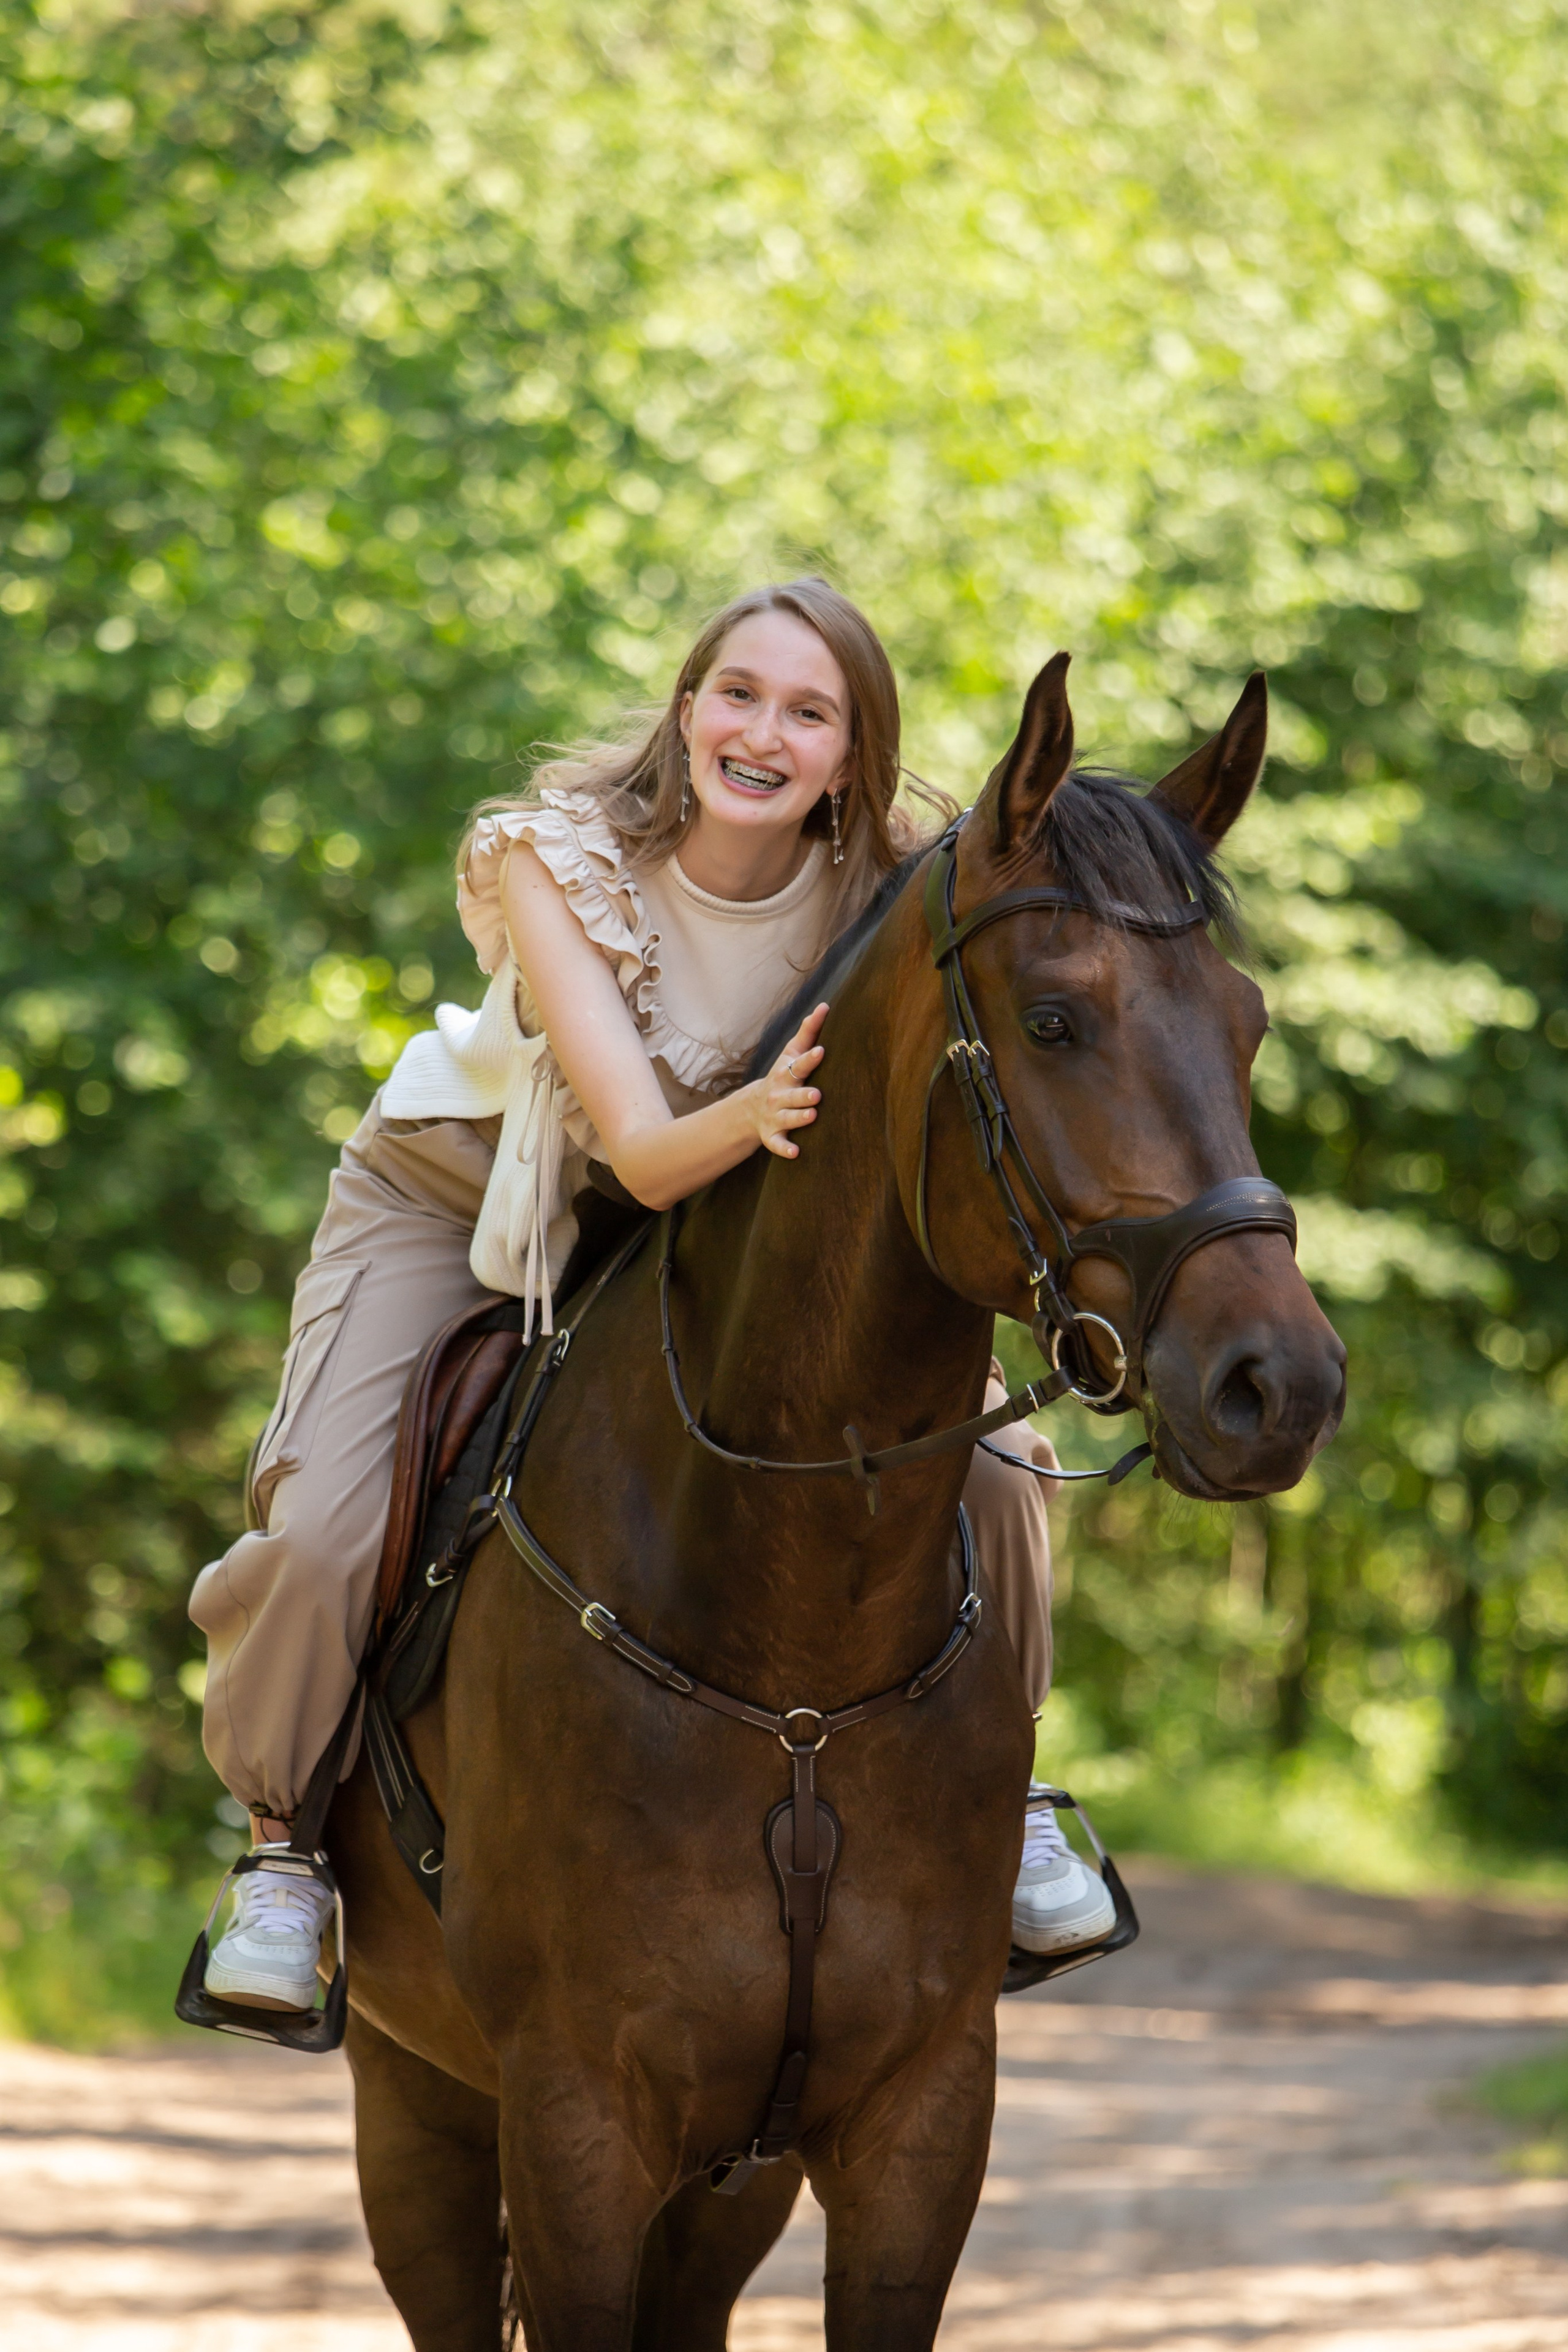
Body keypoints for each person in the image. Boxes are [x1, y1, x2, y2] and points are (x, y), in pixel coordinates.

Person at [190, 578, 1112, 2011]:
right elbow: (631, 1146)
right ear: (686, 711)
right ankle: (280, 1853)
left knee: (996, 1467)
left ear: (851, 757)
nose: (761, 732)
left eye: (808, 713)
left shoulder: (892, 888)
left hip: (713, 1219)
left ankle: (1021, 1800)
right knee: (323, 1527)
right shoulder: (557, 858)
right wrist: (765, 1110)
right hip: (468, 1191)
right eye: (735, 694)